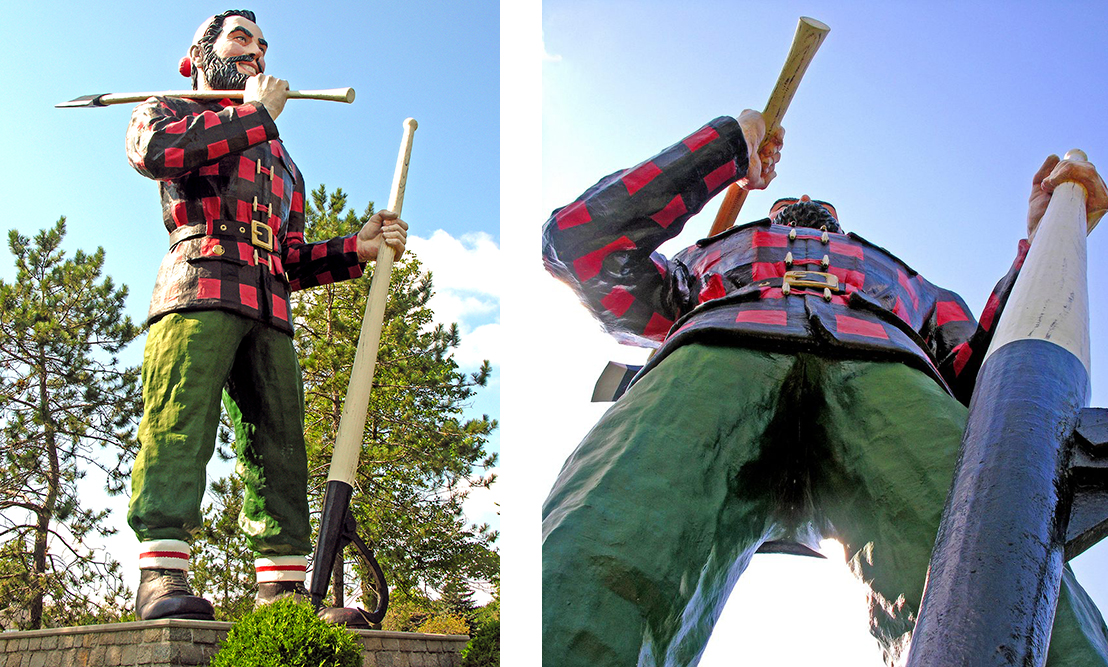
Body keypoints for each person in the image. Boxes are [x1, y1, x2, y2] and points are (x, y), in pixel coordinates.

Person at [540, 109, 1108, 665]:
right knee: (589, 566)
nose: (803, 206)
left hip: (895, 379)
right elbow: (582, 242)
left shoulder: (905, 280)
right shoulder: (700, 262)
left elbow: (982, 373)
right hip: (709, 361)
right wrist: (724, 148)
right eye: (785, 206)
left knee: (1009, 579)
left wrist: (1043, 245)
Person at [124, 10, 408, 621]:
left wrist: (355, 249)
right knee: (178, 425)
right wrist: (253, 116)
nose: (257, 51)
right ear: (205, 52)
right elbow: (153, 154)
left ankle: (281, 593)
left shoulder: (284, 164)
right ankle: (160, 575)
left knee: (278, 447)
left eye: (262, 43)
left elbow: (292, 258)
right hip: (195, 287)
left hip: (270, 307)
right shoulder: (168, 108)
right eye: (242, 38)